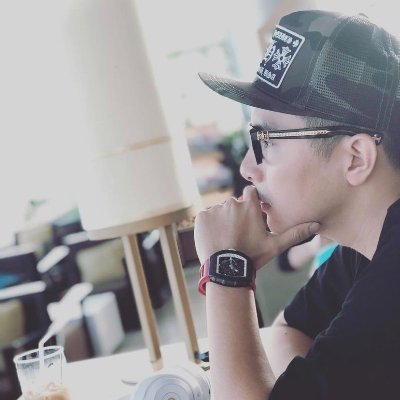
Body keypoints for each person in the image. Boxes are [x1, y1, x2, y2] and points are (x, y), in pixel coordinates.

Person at [193, 9, 400, 400]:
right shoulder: (364, 247)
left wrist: (226, 267)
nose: (247, 168)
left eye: (267, 141)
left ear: (355, 158)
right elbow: (287, 330)